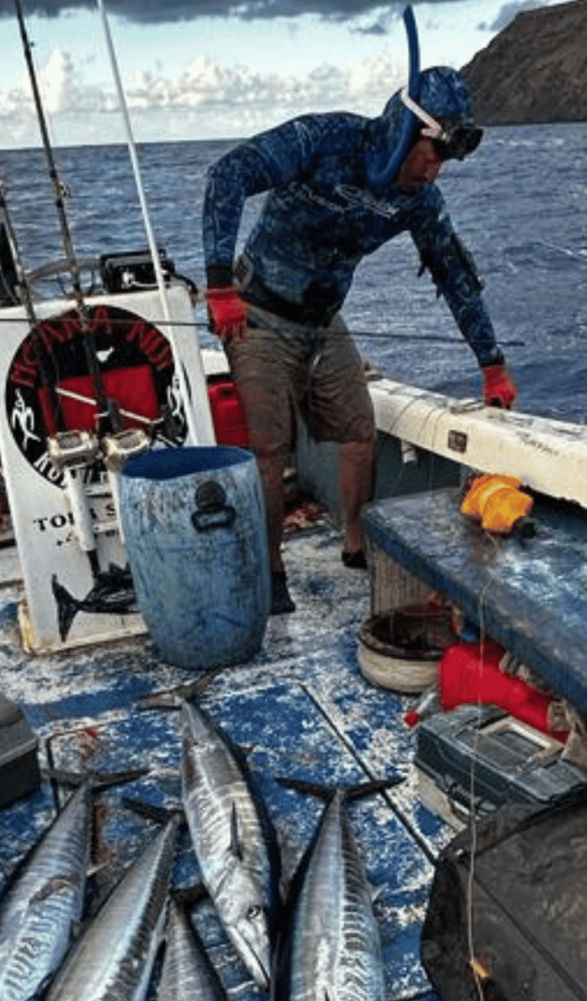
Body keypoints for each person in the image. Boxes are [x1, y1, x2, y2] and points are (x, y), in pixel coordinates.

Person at [202, 65, 517, 615]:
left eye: (447, 159)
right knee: (270, 448)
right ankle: (273, 568)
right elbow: (228, 175)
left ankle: (354, 542)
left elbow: (455, 275)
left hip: (325, 323)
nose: (435, 171)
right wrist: (218, 284)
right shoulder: (326, 140)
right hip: (257, 313)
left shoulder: (417, 199)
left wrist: (491, 364)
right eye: (434, 153)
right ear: (404, 130)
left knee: (359, 431)